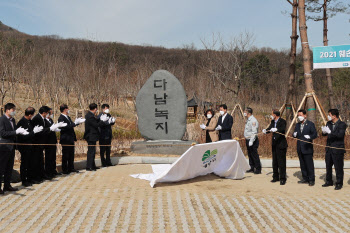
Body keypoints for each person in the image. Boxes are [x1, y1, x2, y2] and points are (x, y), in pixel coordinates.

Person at [0, 103, 29, 194]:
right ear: (7, 110)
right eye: (13, 110)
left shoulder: (13, 120)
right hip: (4, 147)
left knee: (9, 167)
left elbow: (14, 131)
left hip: (12, 147)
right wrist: (15, 132)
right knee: (2, 168)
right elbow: (3, 133)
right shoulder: (2, 120)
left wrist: (21, 132)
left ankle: (7, 185)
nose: (14, 112)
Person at [32, 106, 64, 182]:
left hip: (46, 142)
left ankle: (45, 174)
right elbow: (41, 130)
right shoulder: (37, 118)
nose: (48, 114)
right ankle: (39, 176)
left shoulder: (44, 118)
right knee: (39, 160)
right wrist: (50, 129)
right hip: (40, 142)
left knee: (44, 160)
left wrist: (56, 128)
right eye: (48, 113)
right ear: (44, 113)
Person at [16, 107, 43, 187]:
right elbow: (23, 136)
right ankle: (24, 180)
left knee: (31, 163)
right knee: (25, 164)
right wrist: (33, 132)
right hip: (24, 146)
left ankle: (30, 178)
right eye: (33, 114)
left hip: (31, 146)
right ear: (30, 114)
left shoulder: (30, 121)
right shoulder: (22, 122)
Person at [321, 109, 347, 190]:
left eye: (329, 115)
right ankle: (329, 181)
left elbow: (340, 135)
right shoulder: (328, 123)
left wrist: (330, 132)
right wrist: (324, 132)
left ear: (334, 116)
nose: (328, 116)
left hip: (337, 149)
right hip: (329, 149)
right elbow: (324, 134)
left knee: (338, 167)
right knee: (328, 166)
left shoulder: (342, 124)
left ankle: (339, 183)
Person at [292, 109, 317, 186]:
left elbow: (315, 134)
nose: (299, 117)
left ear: (305, 116)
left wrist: (309, 136)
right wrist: (294, 134)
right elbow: (294, 133)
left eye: (301, 115)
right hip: (300, 147)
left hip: (307, 148)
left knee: (309, 164)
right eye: (298, 115)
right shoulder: (297, 125)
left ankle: (311, 179)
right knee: (302, 164)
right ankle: (305, 178)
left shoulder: (310, 124)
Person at [58, 104, 85, 174]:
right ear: (65, 110)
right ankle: (65, 169)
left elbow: (71, 125)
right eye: (68, 108)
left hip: (70, 138)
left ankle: (71, 168)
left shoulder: (68, 117)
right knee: (65, 155)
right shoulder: (61, 118)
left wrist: (77, 123)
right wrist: (74, 124)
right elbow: (65, 127)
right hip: (65, 139)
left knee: (71, 154)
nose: (69, 110)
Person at [263, 110, 288, 185]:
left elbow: (283, 129)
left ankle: (282, 178)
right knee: (275, 161)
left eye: (272, 114)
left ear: (275, 115)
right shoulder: (273, 122)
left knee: (281, 162)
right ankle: (275, 177)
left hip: (281, 144)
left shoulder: (282, 121)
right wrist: (265, 131)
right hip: (274, 144)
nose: (271, 115)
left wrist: (277, 129)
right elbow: (270, 128)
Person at [84, 103, 110, 171]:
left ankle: (92, 165)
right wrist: (102, 121)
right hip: (91, 136)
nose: (96, 110)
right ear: (95, 109)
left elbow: (96, 122)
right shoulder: (90, 116)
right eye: (96, 109)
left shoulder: (91, 115)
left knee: (93, 151)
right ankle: (89, 166)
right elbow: (96, 125)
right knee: (91, 151)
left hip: (92, 136)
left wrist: (100, 120)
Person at [244, 107, 261, 174]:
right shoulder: (248, 120)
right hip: (248, 139)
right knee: (250, 154)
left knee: (254, 154)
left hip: (252, 140)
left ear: (248, 113)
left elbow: (254, 132)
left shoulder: (253, 120)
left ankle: (258, 168)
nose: (244, 113)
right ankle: (252, 167)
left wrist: (251, 140)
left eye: (245, 112)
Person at [44, 108, 60, 178]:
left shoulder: (50, 120)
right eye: (50, 113)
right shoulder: (44, 121)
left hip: (53, 141)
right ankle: (48, 172)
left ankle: (53, 170)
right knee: (48, 157)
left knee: (53, 157)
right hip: (48, 141)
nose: (51, 114)